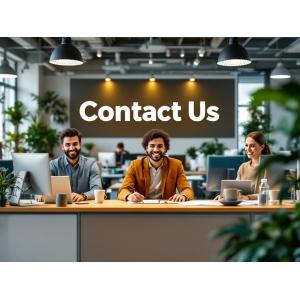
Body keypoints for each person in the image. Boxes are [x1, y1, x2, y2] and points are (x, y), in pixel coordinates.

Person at [118, 129, 193, 202]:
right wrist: (129, 196)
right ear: (147, 148)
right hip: (142, 208)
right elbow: (124, 190)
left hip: (167, 208)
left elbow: (187, 189)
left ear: (165, 148)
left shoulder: (176, 165)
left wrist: (183, 195)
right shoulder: (135, 165)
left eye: (160, 146)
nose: (156, 149)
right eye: (152, 146)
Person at [39, 128, 102, 202]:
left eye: (75, 144)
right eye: (68, 145)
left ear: (80, 144)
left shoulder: (91, 165)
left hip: (85, 209)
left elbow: (97, 189)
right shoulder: (54, 165)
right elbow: (42, 189)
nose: (72, 148)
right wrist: (41, 195)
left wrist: (83, 196)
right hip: (60, 209)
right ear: (62, 147)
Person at [236, 131, 272, 199]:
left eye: (252, 146)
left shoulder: (270, 167)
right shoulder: (243, 167)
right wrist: (226, 195)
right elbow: (236, 190)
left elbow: (272, 194)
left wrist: (248, 197)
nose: (248, 149)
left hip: (264, 207)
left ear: (262, 147)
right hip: (244, 207)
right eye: (246, 145)